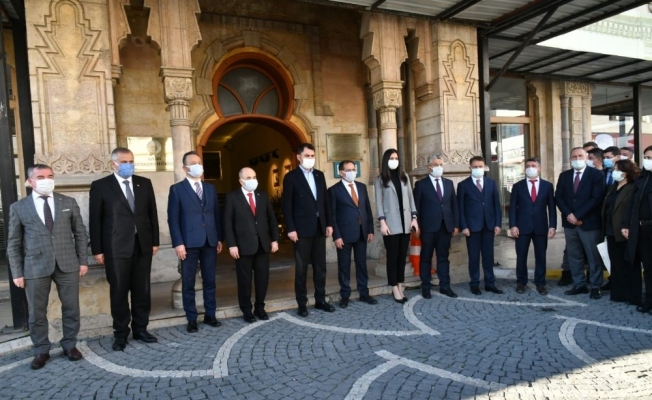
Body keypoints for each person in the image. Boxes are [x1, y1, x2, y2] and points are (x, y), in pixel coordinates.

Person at [6, 164, 88, 369]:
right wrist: (17, 272)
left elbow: (80, 234)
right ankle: (41, 349)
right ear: (30, 181)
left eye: (50, 176)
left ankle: (70, 345)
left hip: (67, 263)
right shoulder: (19, 207)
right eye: (40, 177)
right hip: (34, 266)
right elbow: (14, 243)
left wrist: (82, 261)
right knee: (37, 312)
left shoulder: (67, 202)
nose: (46, 180)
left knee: (71, 307)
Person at [90, 147, 160, 351]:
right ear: (113, 164)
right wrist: (97, 250)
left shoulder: (144, 183)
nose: (129, 165)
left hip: (142, 245)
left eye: (131, 161)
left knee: (142, 290)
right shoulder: (101, 186)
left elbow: (152, 214)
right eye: (124, 162)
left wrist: (155, 241)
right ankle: (120, 333)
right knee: (119, 291)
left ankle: (141, 329)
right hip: (115, 247)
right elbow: (95, 220)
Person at [167, 151, 223, 332]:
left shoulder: (210, 188)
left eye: (199, 162)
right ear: (185, 168)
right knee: (188, 282)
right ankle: (191, 318)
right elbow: (173, 218)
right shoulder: (177, 189)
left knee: (210, 280)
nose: (198, 165)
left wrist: (219, 237)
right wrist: (178, 243)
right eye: (193, 163)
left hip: (210, 240)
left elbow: (216, 214)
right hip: (188, 243)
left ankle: (210, 314)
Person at [282, 143, 334, 317]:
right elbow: (287, 205)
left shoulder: (319, 175)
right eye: (307, 156)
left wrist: (329, 224)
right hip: (301, 229)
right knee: (302, 269)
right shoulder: (291, 177)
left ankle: (320, 300)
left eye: (312, 156)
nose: (310, 159)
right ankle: (302, 304)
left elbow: (325, 201)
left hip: (319, 227)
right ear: (299, 157)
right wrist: (291, 228)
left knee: (320, 267)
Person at [224, 167, 279, 322]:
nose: (253, 180)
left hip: (262, 244)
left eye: (254, 177)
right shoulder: (232, 197)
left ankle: (260, 307)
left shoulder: (262, 195)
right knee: (244, 280)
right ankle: (246, 310)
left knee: (262, 278)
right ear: (241, 181)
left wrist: (275, 239)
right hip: (242, 246)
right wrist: (231, 245)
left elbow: (271, 219)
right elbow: (227, 223)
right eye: (248, 178)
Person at [555, 147, 606, 299]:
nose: (577, 159)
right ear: (570, 159)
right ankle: (579, 284)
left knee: (593, 256)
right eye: (574, 157)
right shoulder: (564, 176)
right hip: (570, 223)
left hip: (589, 223)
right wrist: (570, 215)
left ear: (586, 158)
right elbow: (559, 197)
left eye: (580, 156)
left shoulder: (596, 175)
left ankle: (596, 286)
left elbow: (596, 198)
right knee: (574, 256)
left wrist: (578, 215)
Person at [328, 160, 377, 308]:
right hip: (344, 235)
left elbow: (367, 209)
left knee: (362, 264)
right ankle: (345, 295)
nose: (352, 172)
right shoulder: (334, 190)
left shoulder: (361, 187)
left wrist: (370, 229)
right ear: (341, 172)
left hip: (362, 232)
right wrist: (336, 236)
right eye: (348, 170)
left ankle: (364, 293)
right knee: (344, 266)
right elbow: (332, 215)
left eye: (353, 169)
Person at [375, 149, 419, 303]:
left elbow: (411, 198)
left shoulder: (404, 176)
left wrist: (414, 218)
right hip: (390, 223)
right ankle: (394, 287)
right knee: (392, 257)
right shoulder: (380, 179)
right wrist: (382, 222)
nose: (394, 160)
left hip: (406, 223)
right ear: (386, 160)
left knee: (401, 257)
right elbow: (378, 203)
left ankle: (400, 284)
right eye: (391, 158)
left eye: (396, 158)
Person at [508, 158, 556, 295]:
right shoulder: (518, 186)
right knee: (521, 255)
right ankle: (521, 282)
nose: (530, 168)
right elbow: (512, 208)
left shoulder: (547, 186)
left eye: (533, 165)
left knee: (541, 256)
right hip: (522, 227)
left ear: (539, 168)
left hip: (541, 226)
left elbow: (551, 208)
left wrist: (552, 226)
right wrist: (513, 225)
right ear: (524, 169)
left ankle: (540, 283)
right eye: (528, 166)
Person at [413, 155, 459, 299]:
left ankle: (445, 286)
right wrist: (417, 226)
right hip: (428, 227)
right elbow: (416, 207)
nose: (439, 167)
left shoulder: (449, 184)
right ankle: (426, 286)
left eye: (440, 164)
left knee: (443, 257)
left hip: (445, 227)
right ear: (429, 168)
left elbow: (454, 205)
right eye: (435, 164)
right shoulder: (421, 185)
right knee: (426, 257)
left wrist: (456, 225)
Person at [457, 156, 503, 295]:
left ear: (484, 167)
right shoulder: (463, 185)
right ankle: (474, 283)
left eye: (480, 166)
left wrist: (498, 224)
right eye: (475, 167)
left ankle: (490, 283)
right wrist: (464, 226)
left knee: (488, 256)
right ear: (470, 168)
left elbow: (496, 205)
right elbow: (460, 208)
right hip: (472, 227)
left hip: (489, 225)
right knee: (474, 257)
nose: (478, 169)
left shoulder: (491, 183)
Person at [602, 159, 637, 304]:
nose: (614, 172)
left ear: (625, 172)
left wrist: (627, 225)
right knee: (615, 263)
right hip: (610, 230)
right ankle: (618, 293)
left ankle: (631, 294)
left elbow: (631, 209)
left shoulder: (632, 187)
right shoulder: (613, 187)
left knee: (627, 264)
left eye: (617, 169)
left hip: (624, 231)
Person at [622, 145, 652, 313]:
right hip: (642, 229)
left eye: (651, 158)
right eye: (646, 158)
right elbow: (632, 205)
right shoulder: (642, 179)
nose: (648, 161)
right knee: (647, 267)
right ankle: (648, 301)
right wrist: (627, 224)